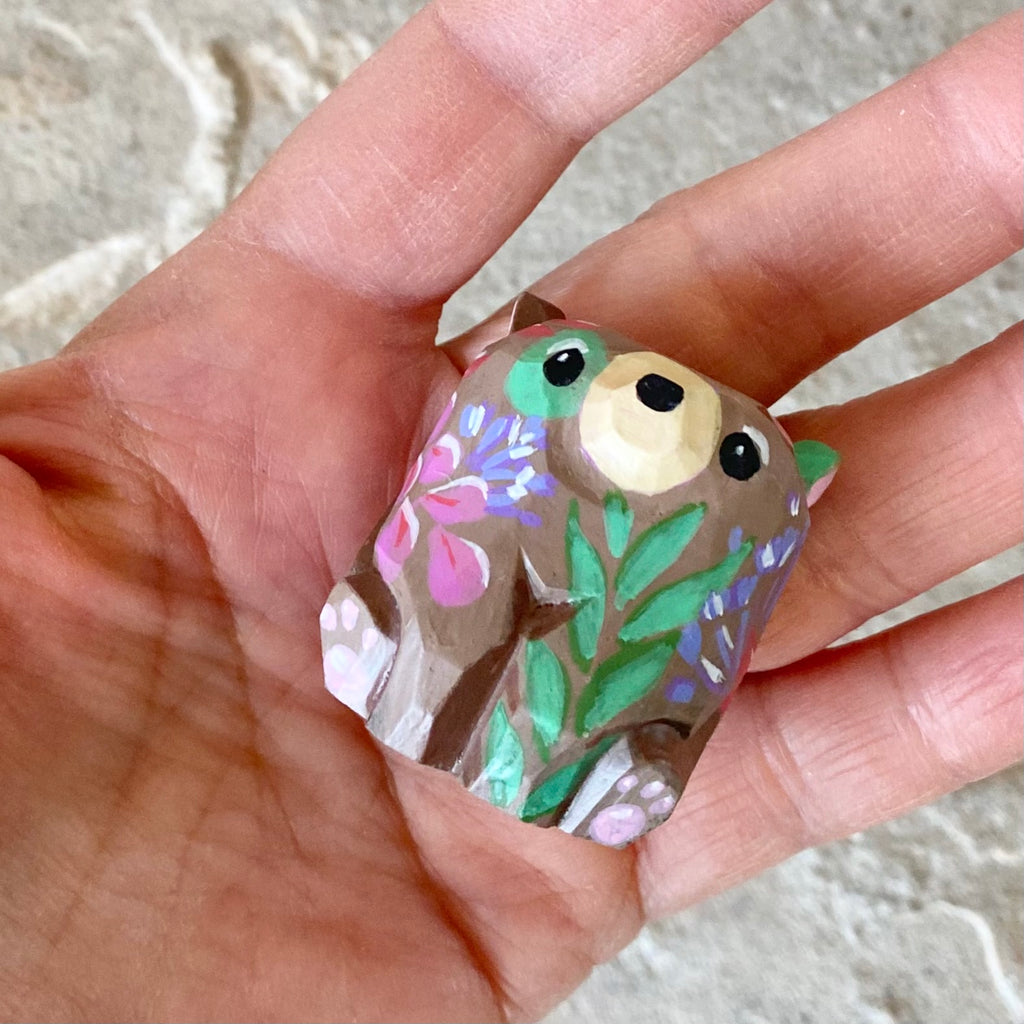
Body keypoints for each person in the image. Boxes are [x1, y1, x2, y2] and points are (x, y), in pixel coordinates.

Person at [0, 1, 1020, 1019]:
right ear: (529, 348)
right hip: (423, 658)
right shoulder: (512, 428)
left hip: (581, 734)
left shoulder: (740, 520)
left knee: (605, 695)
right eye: (561, 363)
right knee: (442, 619)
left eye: (744, 459)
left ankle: (580, 761)